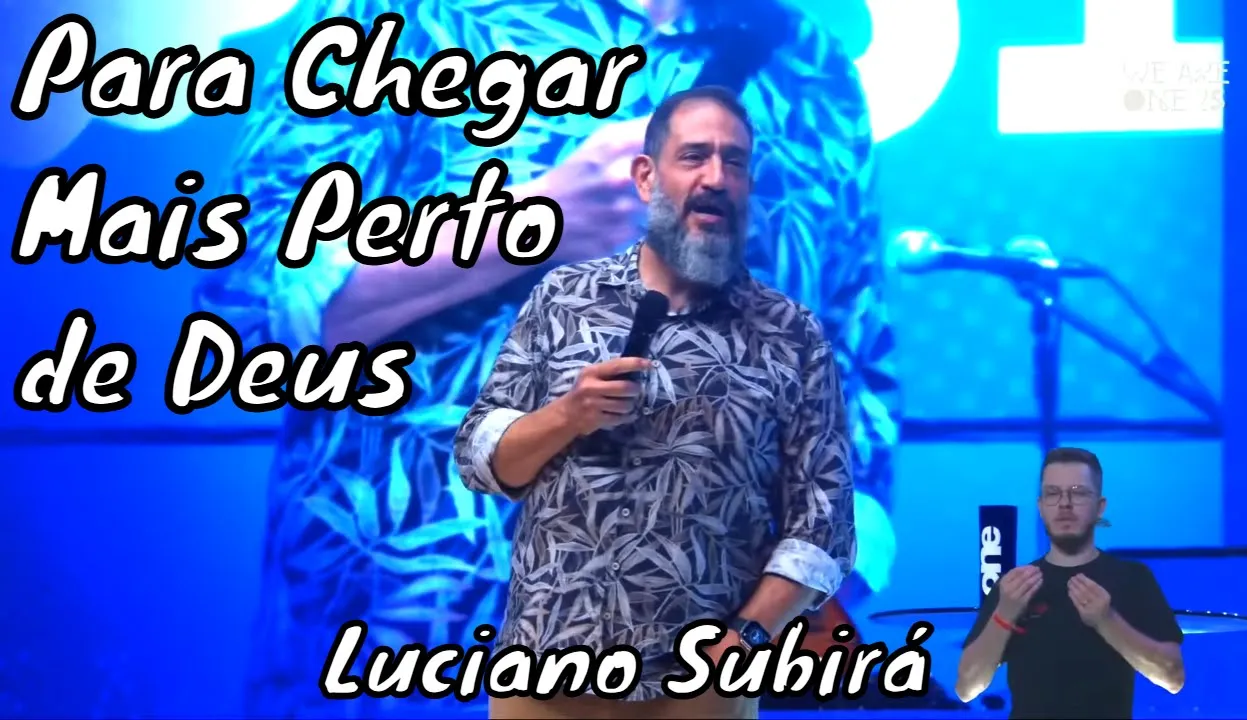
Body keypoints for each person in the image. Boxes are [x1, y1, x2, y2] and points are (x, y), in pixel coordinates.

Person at [196, 0, 897, 715]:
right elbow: (245, 300)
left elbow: (852, 363)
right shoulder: (398, 16)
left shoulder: (810, 65)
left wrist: (819, 587)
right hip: (416, 627)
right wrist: (534, 222)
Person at [454, 85, 856, 719]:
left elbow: (824, 523)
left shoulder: (791, 333)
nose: (716, 177)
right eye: (694, 156)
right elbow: (482, 460)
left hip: (698, 690)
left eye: (734, 161)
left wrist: (748, 639)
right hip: (545, 674)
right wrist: (567, 415)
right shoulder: (563, 298)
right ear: (646, 177)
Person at [955, 447, 1186, 719]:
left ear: (1100, 507)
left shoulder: (1132, 578)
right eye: (1053, 493)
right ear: (1041, 507)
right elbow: (967, 687)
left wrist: (1107, 620)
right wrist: (1004, 615)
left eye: (1078, 493)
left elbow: (1172, 677)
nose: (1065, 504)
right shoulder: (1015, 586)